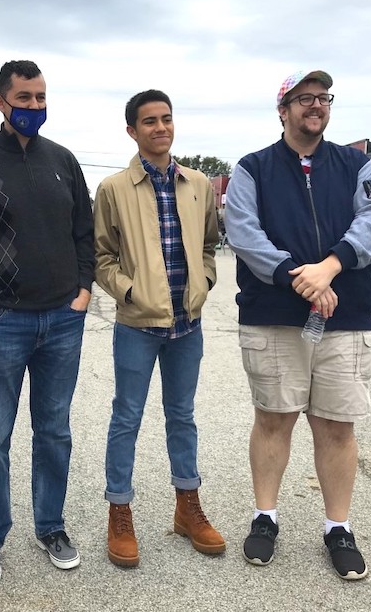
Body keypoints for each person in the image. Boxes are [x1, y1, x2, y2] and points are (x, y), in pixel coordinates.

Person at [225, 70, 371, 580]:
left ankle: (336, 527)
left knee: (337, 427)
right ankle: (265, 517)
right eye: (304, 99)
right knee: (274, 418)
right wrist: (300, 279)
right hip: (274, 317)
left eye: (322, 98)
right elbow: (244, 233)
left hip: (347, 318)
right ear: (283, 110)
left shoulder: (356, 164)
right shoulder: (252, 169)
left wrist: (331, 267)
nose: (314, 106)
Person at [0, 59, 95, 586]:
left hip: (63, 318)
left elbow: (86, 231)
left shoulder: (64, 160)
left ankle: (50, 526)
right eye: (24, 98)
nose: (34, 106)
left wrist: (83, 292)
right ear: (0, 102)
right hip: (4, 322)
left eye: (40, 97)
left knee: (54, 431)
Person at [93, 89, 224, 568]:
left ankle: (187, 508)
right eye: (149, 121)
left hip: (188, 325)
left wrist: (205, 281)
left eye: (166, 119)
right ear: (132, 130)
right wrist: (129, 293)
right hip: (137, 326)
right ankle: (119, 511)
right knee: (125, 418)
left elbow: (210, 245)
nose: (160, 127)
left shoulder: (198, 184)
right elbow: (102, 257)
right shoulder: (113, 189)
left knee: (182, 417)